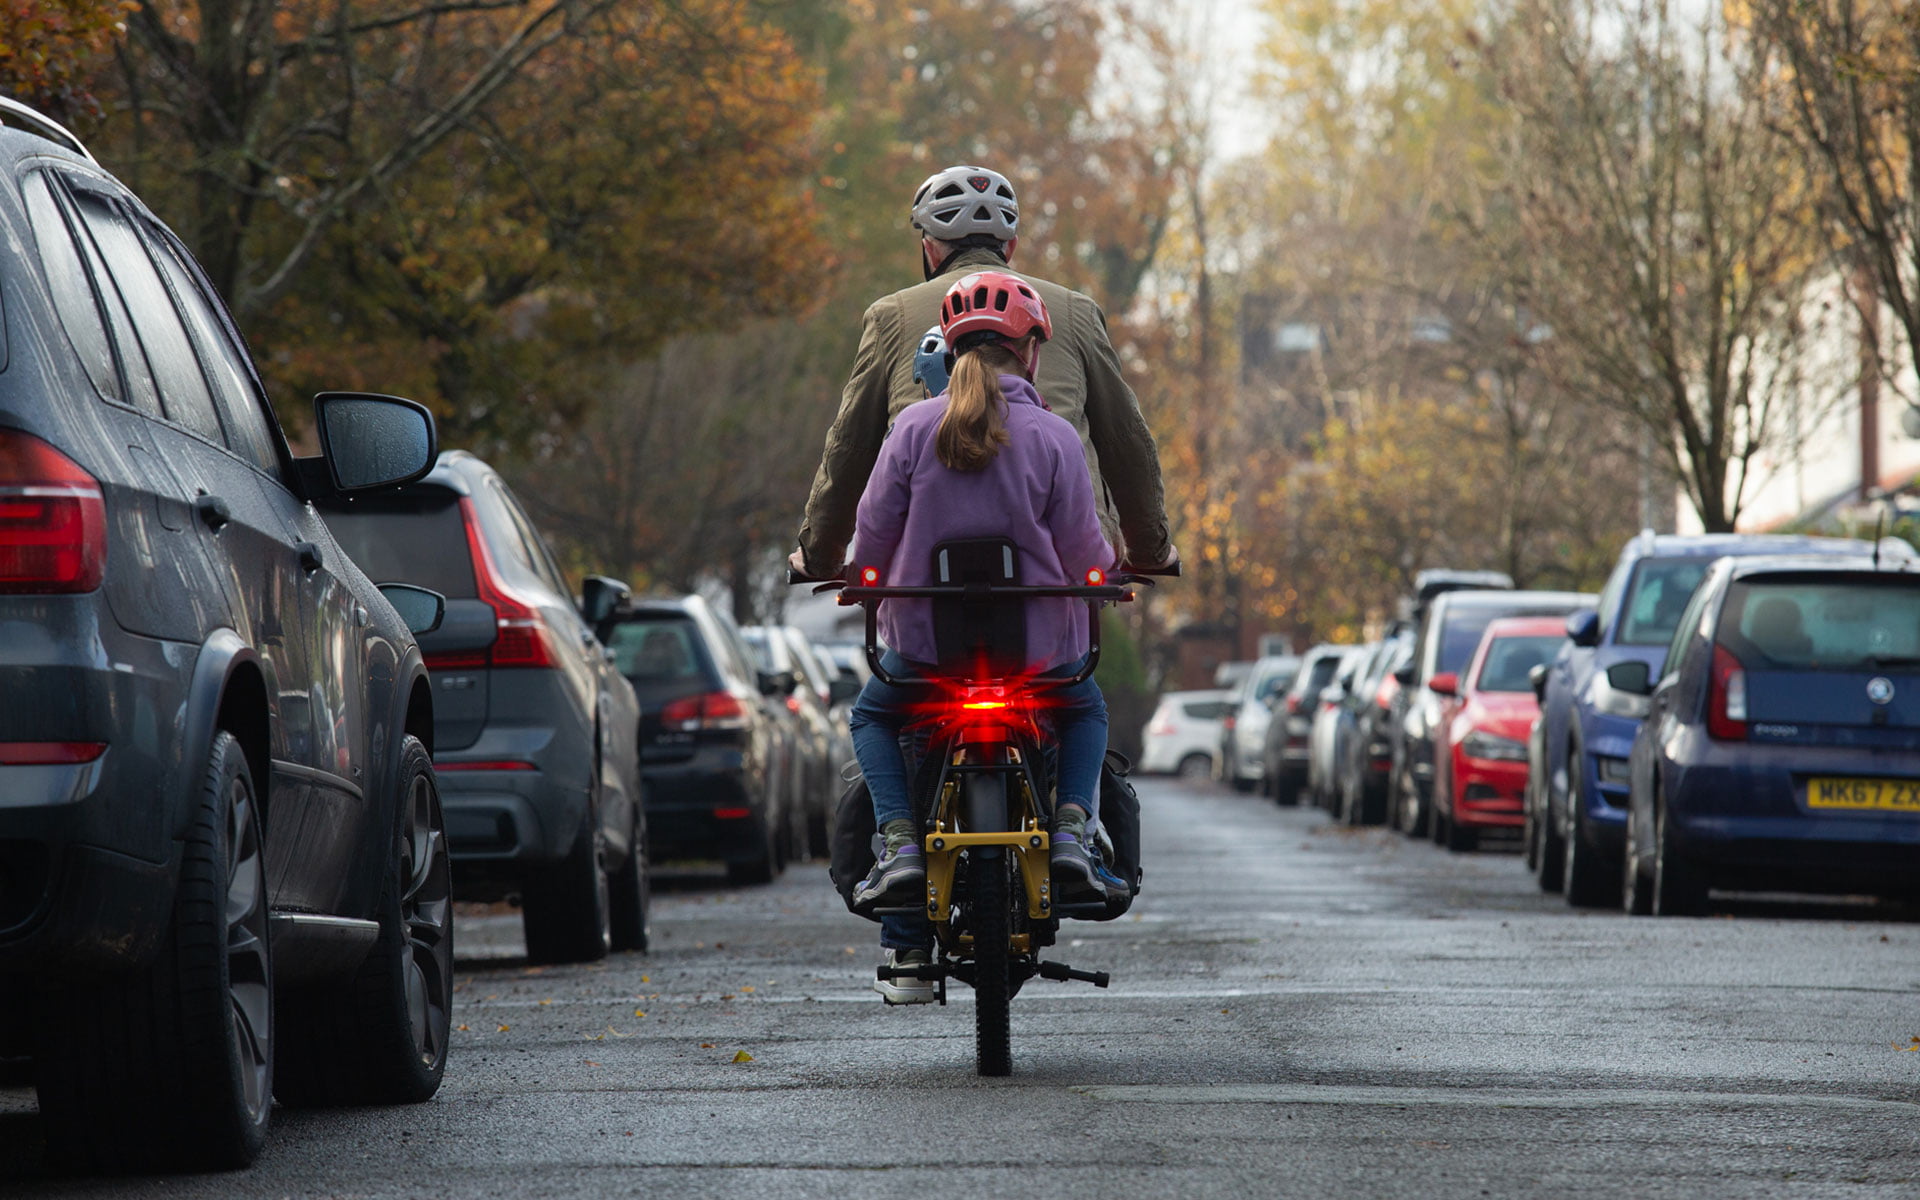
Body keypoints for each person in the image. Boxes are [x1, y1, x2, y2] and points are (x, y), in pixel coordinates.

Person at [845, 271, 1113, 1004]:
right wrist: (1106, 575)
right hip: (1038, 657)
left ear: (952, 349)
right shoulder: (1055, 437)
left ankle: (899, 841)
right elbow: (1087, 553)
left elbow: (871, 535)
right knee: (1085, 709)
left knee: (871, 716)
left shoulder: (909, 431)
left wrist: (859, 576)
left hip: (925, 654)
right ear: (1030, 354)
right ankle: (1070, 835)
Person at [791, 163, 1176, 579]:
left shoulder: (891, 316)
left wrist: (821, 555)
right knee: (1072, 634)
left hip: (925, 564)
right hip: (1064, 561)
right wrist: (1149, 549)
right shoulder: (1075, 311)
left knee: (905, 637)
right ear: (1009, 248)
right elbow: (1123, 439)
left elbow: (852, 447)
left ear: (929, 248)